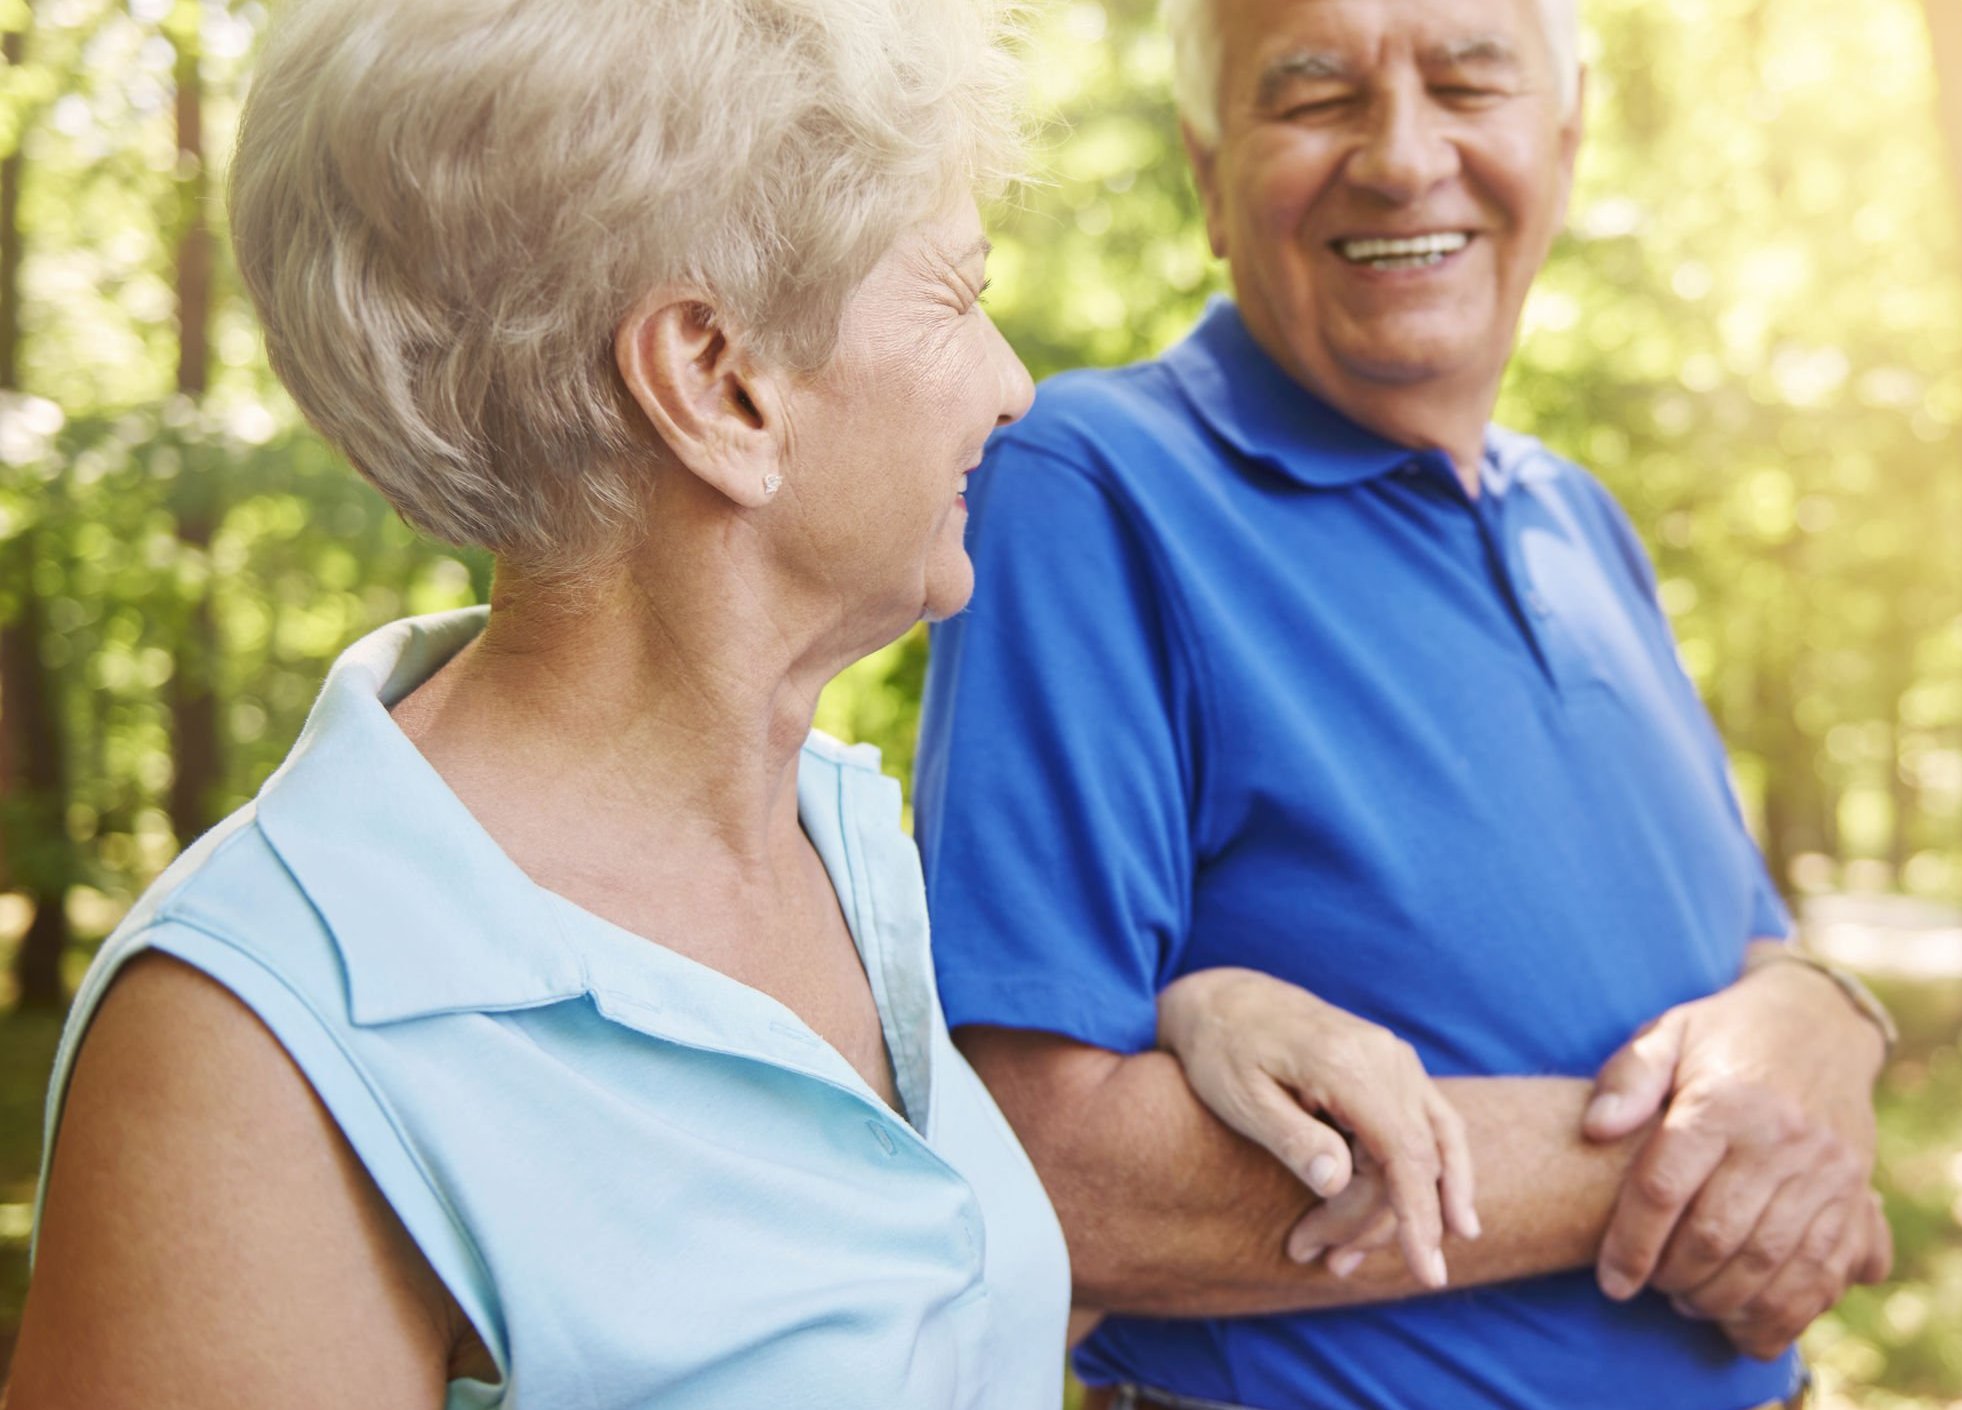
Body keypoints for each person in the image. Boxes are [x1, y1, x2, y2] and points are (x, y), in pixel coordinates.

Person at [8, 1, 1469, 1404]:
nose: (1015, 386)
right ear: (718, 382)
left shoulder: (839, 846)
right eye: (958, 296)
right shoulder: (250, 1045)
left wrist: (1203, 1008)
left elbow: (906, 1320)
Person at [913, 0, 1903, 1405]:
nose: (1400, 155)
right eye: (1315, 95)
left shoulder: (1582, 519)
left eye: (1466, 79)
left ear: (1562, 140)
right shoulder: (1090, 484)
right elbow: (1050, 1171)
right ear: (1208, 173)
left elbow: (1744, 952)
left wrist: (1827, 1021)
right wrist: (1716, 1157)